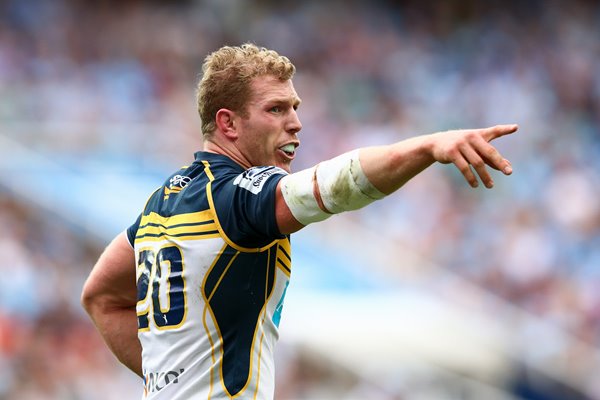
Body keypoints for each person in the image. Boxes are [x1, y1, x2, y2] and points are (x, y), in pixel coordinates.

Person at [81, 43, 518, 399]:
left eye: (294, 107)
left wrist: (171, 382)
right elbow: (334, 185)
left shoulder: (161, 202)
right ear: (228, 123)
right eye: (276, 109)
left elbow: (100, 296)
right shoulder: (237, 196)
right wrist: (428, 147)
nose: (296, 123)